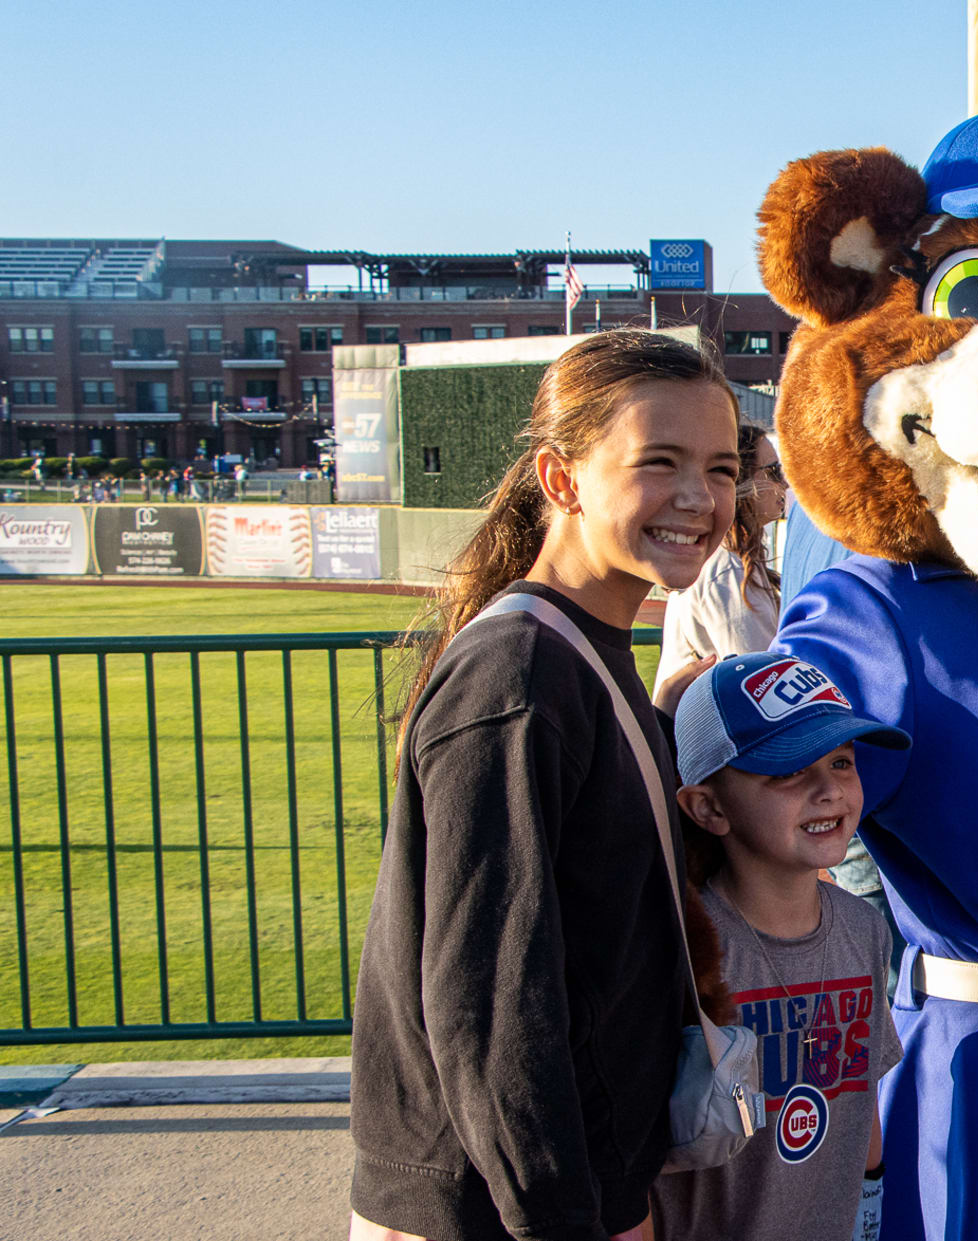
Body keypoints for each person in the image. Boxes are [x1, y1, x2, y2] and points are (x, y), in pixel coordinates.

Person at [348, 330, 745, 1241]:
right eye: (660, 461)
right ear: (560, 479)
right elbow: (490, 1007)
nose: (701, 497)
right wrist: (574, 1218)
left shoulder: (578, 652)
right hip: (498, 1207)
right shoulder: (519, 674)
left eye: (722, 468)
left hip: (572, 1190)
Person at [652, 652, 908, 1241]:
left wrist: (871, 1206)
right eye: (789, 771)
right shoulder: (686, 946)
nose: (829, 791)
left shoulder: (863, 929)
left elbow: (860, 1094)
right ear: (708, 807)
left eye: (842, 762)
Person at [652, 423, 790, 697]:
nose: (784, 484)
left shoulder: (730, 561)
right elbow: (764, 686)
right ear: (742, 481)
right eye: (774, 472)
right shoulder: (728, 570)